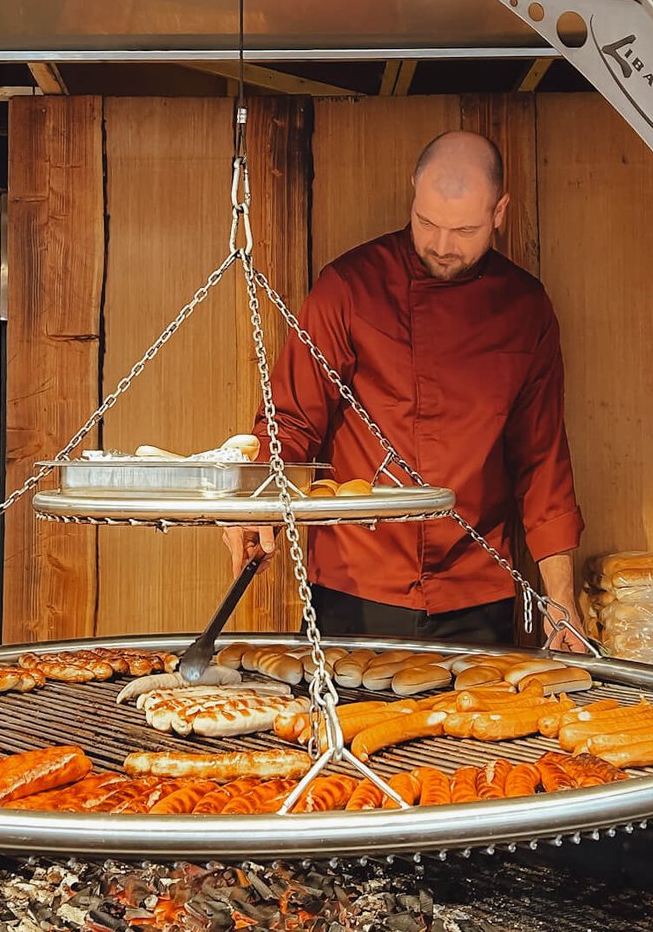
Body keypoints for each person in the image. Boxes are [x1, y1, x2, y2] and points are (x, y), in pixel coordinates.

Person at [225, 130, 586, 651]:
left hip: (477, 587)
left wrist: (561, 598)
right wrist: (252, 505)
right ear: (413, 190)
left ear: (500, 212)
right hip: (356, 584)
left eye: (464, 230)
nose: (442, 246)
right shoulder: (348, 288)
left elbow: (543, 461)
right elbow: (292, 421)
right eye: (427, 222)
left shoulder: (526, 309)